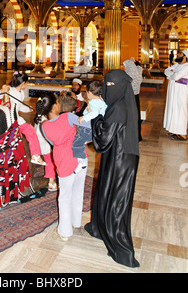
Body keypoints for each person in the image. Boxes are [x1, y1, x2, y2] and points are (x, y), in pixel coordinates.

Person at [84, 69, 140, 268]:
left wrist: (96, 117)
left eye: (111, 86)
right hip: (118, 156)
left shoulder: (118, 108)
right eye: (106, 84)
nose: (107, 89)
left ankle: (122, 250)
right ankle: (99, 228)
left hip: (120, 160)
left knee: (116, 201)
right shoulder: (124, 102)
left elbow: (102, 140)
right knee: (106, 193)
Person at [35, 92, 91, 241]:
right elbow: (87, 126)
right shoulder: (69, 117)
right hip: (80, 157)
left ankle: (65, 232)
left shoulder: (44, 126)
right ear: (54, 106)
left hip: (63, 161)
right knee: (78, 191)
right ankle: (76, 223)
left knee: (65, 196)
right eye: (58, 102)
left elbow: (54, 143)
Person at [0, 71, 46, 165]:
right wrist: (2, 91)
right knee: (30, 130)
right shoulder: (9, 90)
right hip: (8, 117)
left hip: (16, 116)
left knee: (28, 130)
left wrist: (28, 109)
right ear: (23, 84)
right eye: (26, 83)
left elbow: (19, 106)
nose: (27, 85)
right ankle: (35, 155)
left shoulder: (21, 92)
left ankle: (32, 155)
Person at [74, 80, 107, 172]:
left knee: (76, 144)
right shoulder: (102, 100)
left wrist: (84, 117)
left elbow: (95, 113)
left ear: (90, 93)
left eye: (87, 92)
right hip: (95, 127)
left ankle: (81, 162)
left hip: (87, 127)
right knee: (80, 141)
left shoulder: (93, 102)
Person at [163, 49, 188, 141]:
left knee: (180, 110)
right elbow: (166, 71)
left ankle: (182, 134)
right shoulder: (177, 65)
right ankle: (174, 130)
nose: (177, 55)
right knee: (172, 109)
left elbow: (176, 76)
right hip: (172, 91)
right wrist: (172, 75)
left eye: (180, 54)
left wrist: (172, 75)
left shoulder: (186, 67)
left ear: (185, 57)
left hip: (181, 92)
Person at [123, 58, 143, 141]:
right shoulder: (137, 73)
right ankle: (137, 136)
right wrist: (135, 62)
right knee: (136, 117)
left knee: (130, 117)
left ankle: (130, 136)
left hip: (129, 98)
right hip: (136, 98)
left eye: (124, 66)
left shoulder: (128, 76)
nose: (124, 68)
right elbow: (139, 67)